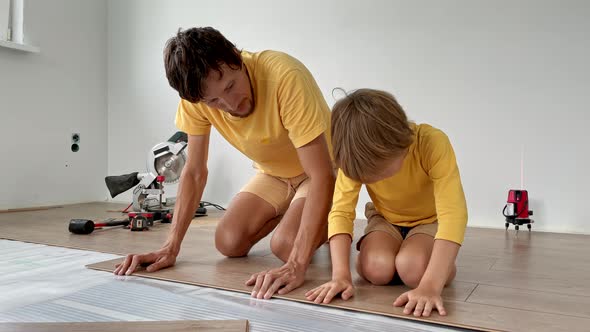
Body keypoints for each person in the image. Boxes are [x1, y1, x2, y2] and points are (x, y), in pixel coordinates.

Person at [114, 27, 335, 300]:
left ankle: (326, 225)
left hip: (321, 171)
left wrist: (297, 265)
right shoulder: (195, 99)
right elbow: (194, 172)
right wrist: (170, 247)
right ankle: (300, 218)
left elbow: (322, 173)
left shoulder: (284, 75)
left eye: (230, 86)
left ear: (237, 58)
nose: (231, 104)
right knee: (228, 242)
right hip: (275, 175)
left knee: (286, 246)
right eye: (214, 101)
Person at [305, 88, 468, 317]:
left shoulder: (432, 142)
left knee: (413, 269)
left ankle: (432, 263)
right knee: (377, 269)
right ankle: (402, 254)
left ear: (396, 144)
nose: (373, 181)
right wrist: (340, 276)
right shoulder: (355, 154)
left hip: (429, 221)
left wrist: (430, 286)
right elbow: (341, 211)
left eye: (377, 173)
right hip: (386, 219)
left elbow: (453, 214)